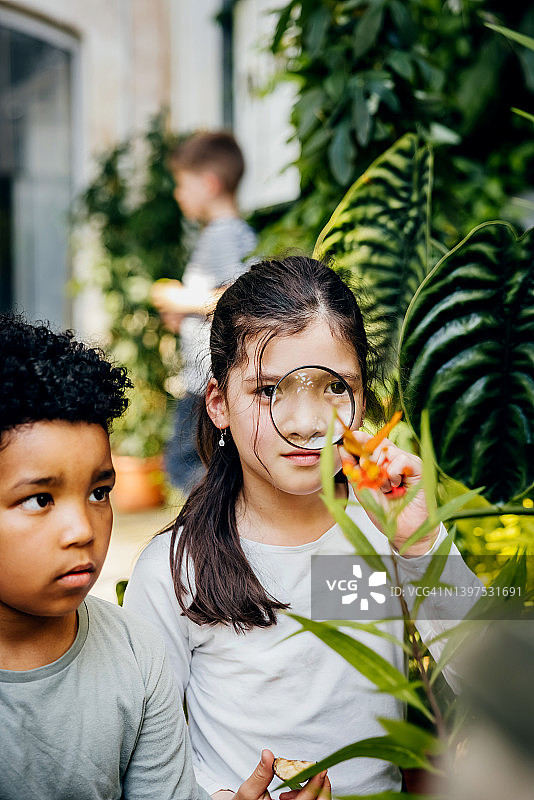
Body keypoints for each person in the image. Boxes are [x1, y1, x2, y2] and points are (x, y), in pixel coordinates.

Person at [124, 256, 482, 798]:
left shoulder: (384, 539)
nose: (305, 424)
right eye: (269, 391)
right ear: (219, 403)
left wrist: (423, 544)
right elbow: (142, 765)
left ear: (362, 399)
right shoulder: (175, 571)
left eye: (335, 388)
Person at [0, 313, 313, 800]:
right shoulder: (173, 573)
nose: (82, 530)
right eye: (41, 499)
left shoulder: (135, 657)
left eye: (99, 493)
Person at [151, 130, 257, 492]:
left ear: (209, 184)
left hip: (206, 376)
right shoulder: (228, 233)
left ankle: (217, 521)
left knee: (184, 463)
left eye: (183, 184)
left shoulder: (224, 234)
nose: (178, 194)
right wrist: (187, 313)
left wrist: (179, 300)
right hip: (208, 375)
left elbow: (238, 297)